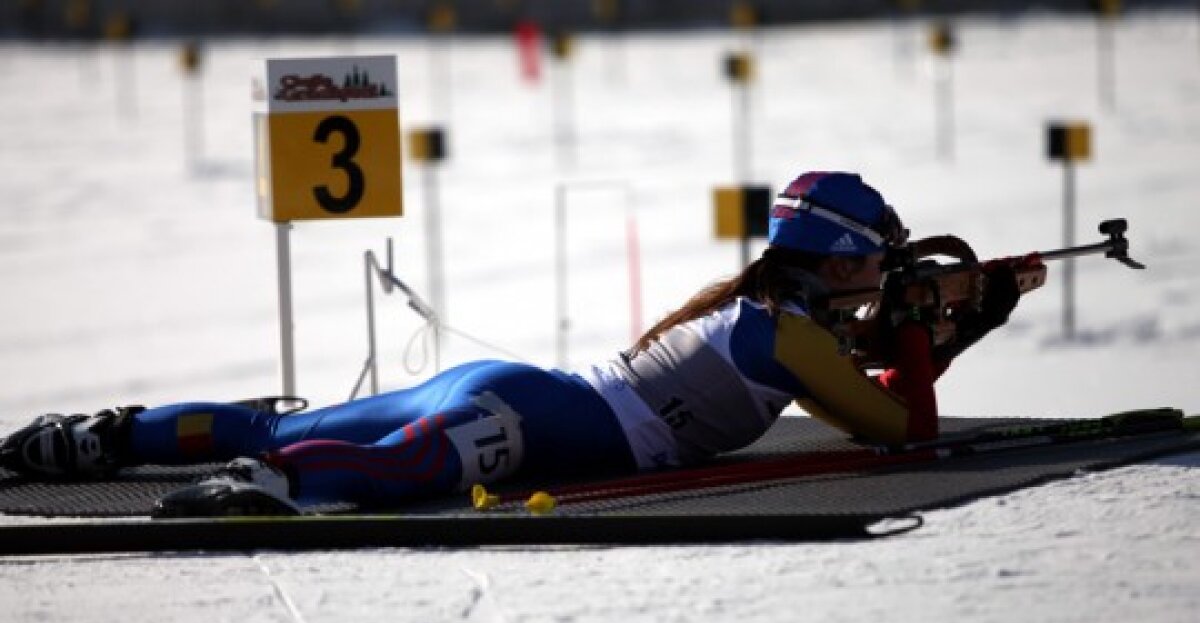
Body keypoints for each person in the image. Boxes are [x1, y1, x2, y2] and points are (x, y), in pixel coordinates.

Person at [0, 171, 1020, 517]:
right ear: (837, 264)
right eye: (878, 260)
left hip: (521, 388)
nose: (886, 274)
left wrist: (948, 321)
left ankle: (104, 436)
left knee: (285, 425)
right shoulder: (794, 338)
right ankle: (268, 486)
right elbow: (903, 429)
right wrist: (942, 325)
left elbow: (869, 393)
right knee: (408, 471)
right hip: (539, 418)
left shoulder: (773, 317)